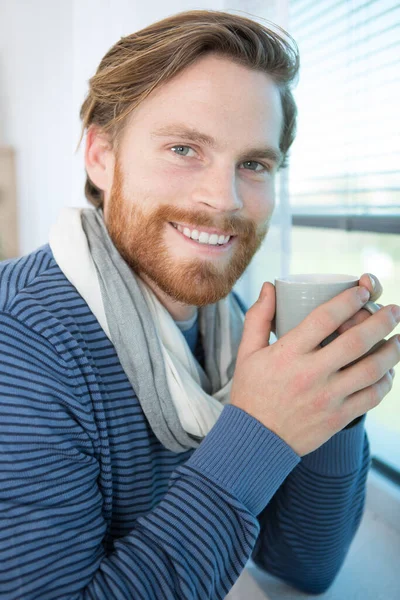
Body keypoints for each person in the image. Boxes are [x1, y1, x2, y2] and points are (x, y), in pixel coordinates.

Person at [0, 9, 399, 600]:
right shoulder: (21, 346)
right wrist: (259, 430)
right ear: (100, 157)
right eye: (185, 148)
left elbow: (302, 567)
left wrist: (333, 398)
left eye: (254, 164)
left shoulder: (227, 320)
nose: (224, 198)